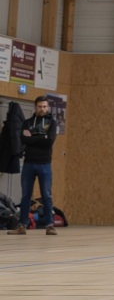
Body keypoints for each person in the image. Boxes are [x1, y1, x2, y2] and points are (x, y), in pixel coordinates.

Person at [17, 96, 56, 234]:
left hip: (44, 163)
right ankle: (22, 225)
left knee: (46, 195)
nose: (42, 109)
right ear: (35, 107)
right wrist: (41, 137)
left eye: (45, 106)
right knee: (25, 195)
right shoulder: (27, 122)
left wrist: (32, 138)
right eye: (40, 106)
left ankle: (49, 225)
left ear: (47, 107)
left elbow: (49, 141)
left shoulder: (52, 123)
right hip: (29, 163)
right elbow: (23, 139)